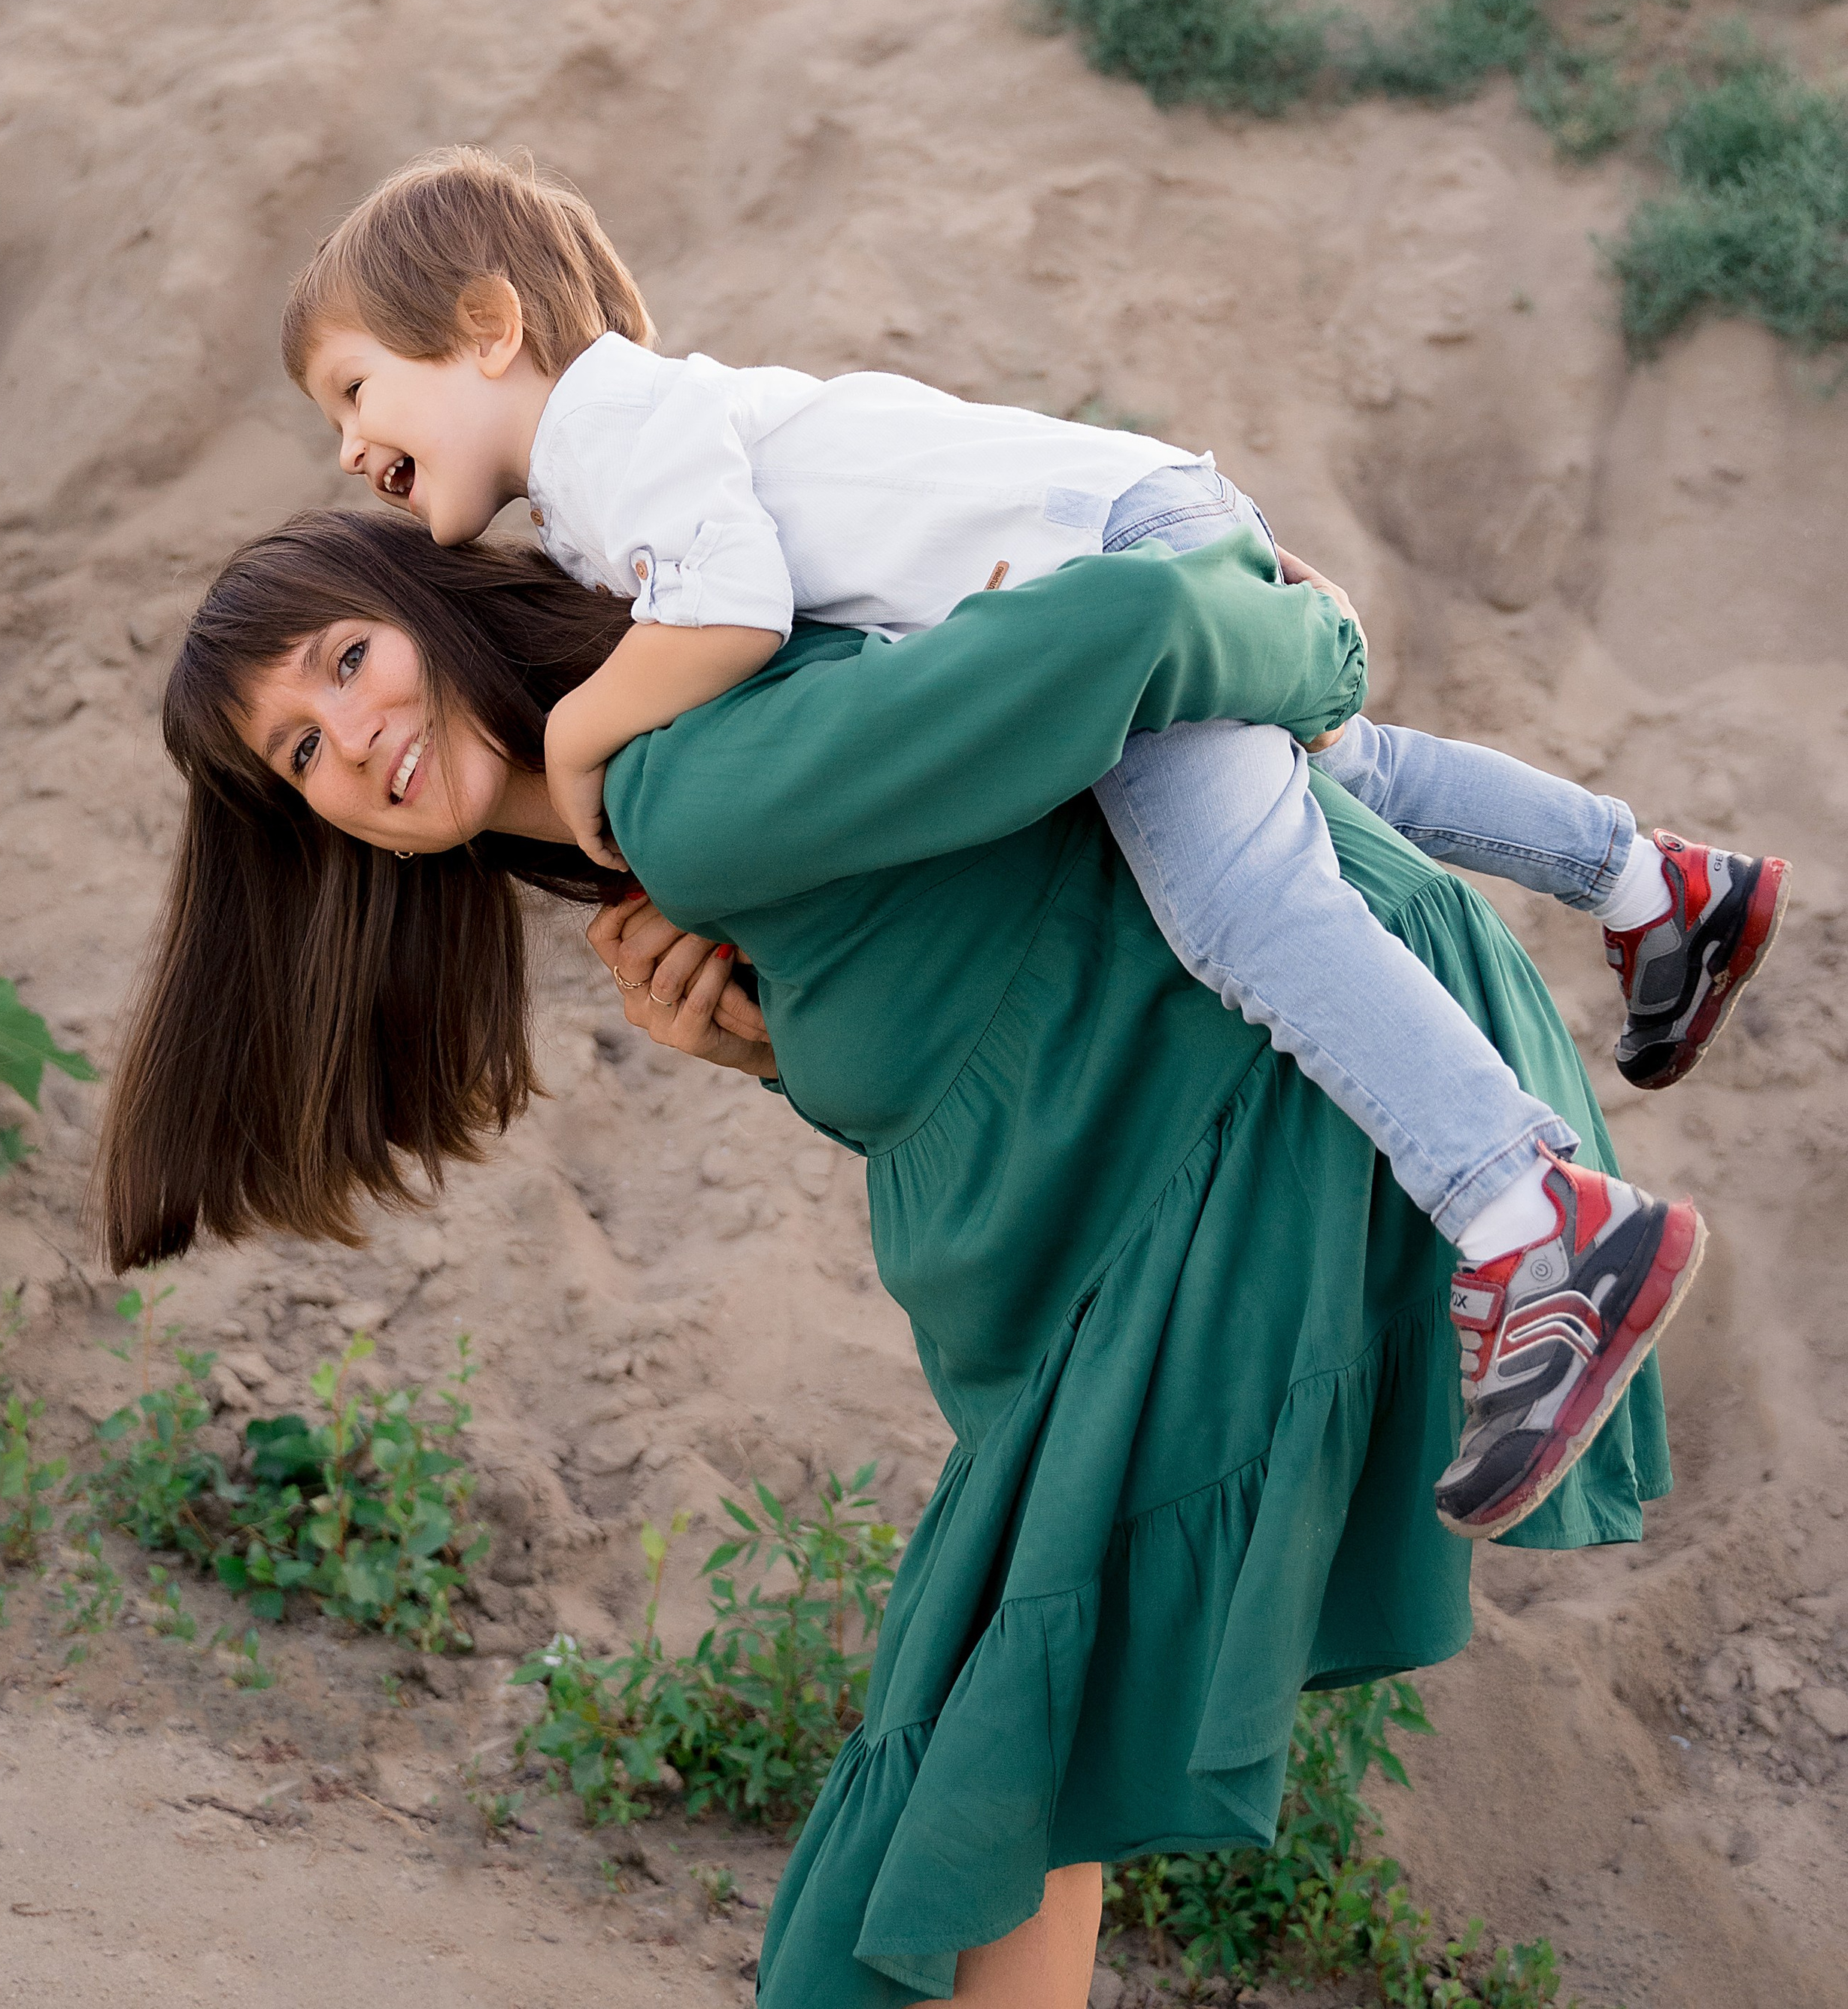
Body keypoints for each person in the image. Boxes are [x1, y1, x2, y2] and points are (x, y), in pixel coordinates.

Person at [99, 506, 1684, 2009]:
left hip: (1277, 1105)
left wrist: (1314, 663)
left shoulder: (684, 770)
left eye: (346, 660)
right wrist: (772, 1057)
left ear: (434, 613)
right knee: (1015, 1746)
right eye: (298, 748)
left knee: (1006, 1729)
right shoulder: (636, 835)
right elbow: (980, 971)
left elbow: (1125, 626)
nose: (350, 737)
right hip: (1151, 1148)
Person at [277, 148, 1770, 1530]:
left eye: (353, 390)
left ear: (485, 326)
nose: (347, 446)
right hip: (1112, 526)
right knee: (1345, 773)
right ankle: (1650, 882)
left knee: (1241, 908)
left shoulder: (612, 426)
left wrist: (580, 733)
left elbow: (723, 616)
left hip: (1105, 556)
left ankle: (1531, 1219)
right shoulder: (613, 479)